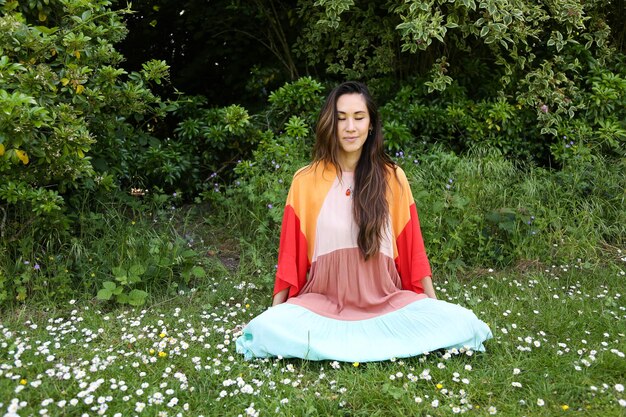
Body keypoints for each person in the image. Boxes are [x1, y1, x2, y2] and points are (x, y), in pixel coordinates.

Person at [236, 81, 492, 362]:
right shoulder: (305, 181)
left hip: (386, 304)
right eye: (341, 118)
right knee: (264, 330)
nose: (350, 127)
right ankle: (361, 344)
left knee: (465, 323)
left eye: (359, 118)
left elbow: (412, 252)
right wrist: (272, 315)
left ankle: (357, 344)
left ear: (370, 124)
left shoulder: (392, 177)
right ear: (329, 124)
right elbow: (290, 259)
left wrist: (435, 306)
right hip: (322, 308)